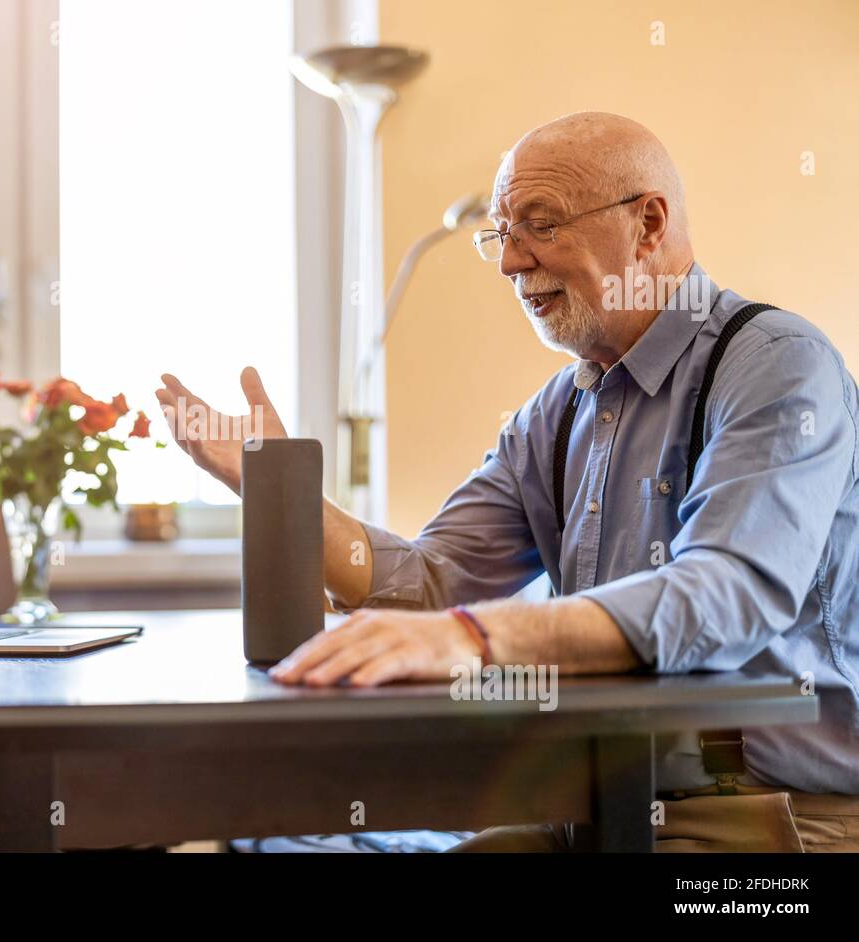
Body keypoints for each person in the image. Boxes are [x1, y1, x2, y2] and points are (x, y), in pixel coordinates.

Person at [155, 112, 859, 852]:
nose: (510, 262)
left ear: (648, 223)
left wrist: (472, 639)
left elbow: (725, 593)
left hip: (776, 823)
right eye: (501, 233)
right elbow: (431, 583)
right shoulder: (559, 412)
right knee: (269, 841)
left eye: (540, 225)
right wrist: (271, 486)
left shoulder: (776, 364)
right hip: (601, 804)